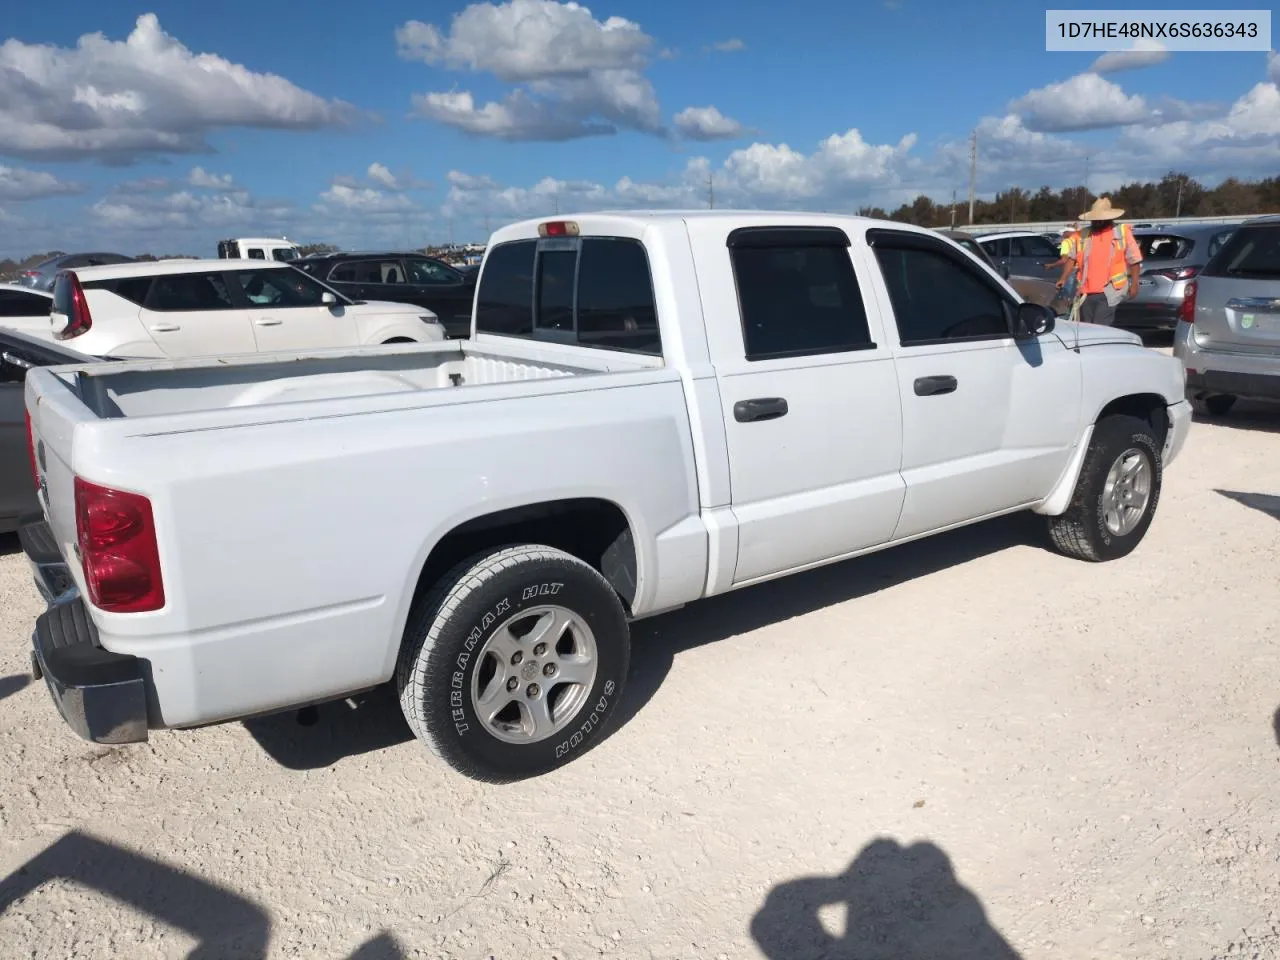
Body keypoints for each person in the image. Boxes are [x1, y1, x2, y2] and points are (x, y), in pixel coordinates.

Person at [1072, 197, 1142, 326]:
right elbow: (1071, 258)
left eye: (1100, 219)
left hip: (1109, 291)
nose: (1097, 222)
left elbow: (1134, 260)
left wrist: (1135, 284)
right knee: (1086, 329)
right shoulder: (1084, 234)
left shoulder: (1121, 233)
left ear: (1109, 218)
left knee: (1100, 327)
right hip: (1085, 292)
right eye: (1095, 219)